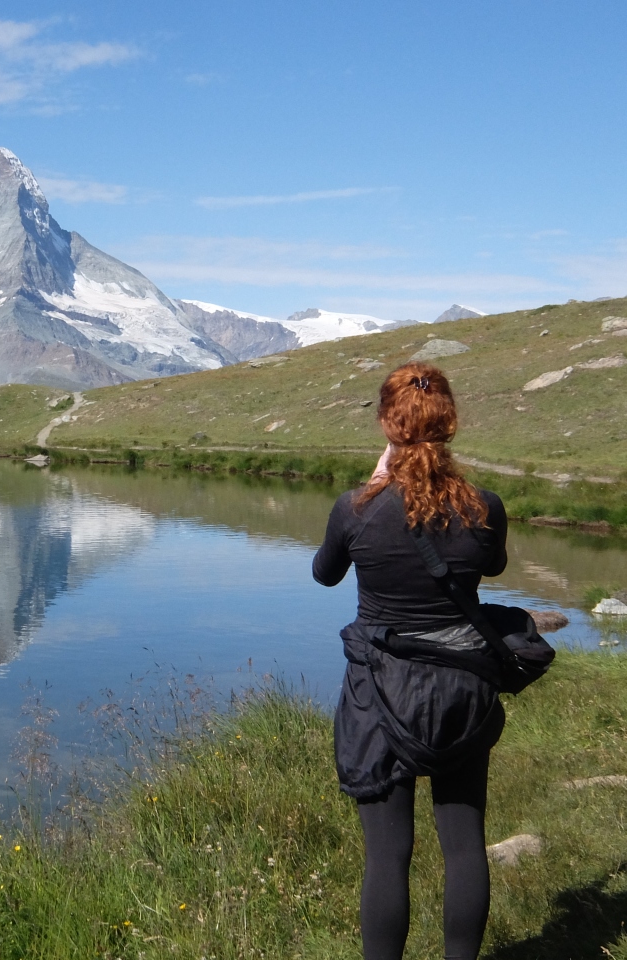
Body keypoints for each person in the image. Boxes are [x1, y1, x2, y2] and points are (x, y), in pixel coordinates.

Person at [312, 362, 508, 960]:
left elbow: (325, 574)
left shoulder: (355, 509)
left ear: (385, 425)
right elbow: (493, 567)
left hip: (381, 689)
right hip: (461, 687)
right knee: (465, 844)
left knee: (388, 853)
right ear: (449, 424)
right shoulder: (485, 506)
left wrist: (376, 484)